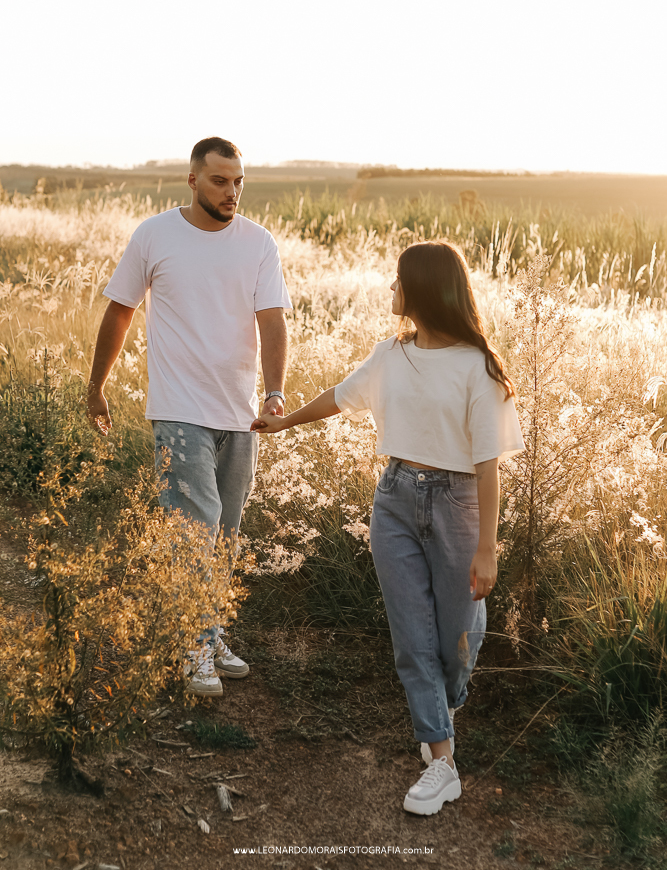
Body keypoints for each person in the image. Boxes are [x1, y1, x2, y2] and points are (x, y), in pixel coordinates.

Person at [251, 240, 524, 815]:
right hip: (395, 500)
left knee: (459, 638)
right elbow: (340, 396)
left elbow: (488, 465)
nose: (389, 289)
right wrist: (285, 423)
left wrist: (487, 548)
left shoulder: (478, 368)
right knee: (412, 638)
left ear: (422, 289)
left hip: (459, 503)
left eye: (397, 279)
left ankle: (438, 712)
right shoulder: (390, 355)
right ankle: (442, 760)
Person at [87, 137, 292, 697]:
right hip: (178, 408)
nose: (232, 192)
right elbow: (120, 311)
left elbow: (272, 321)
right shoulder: (155, 235)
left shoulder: (258, 243)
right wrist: (96, 386)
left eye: (239, 181)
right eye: (221, 180)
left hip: (239, 413)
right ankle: (190, 643)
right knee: (192, 527)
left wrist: (274, 392)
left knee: (224, 533)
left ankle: (209, 630)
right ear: (193, 180)